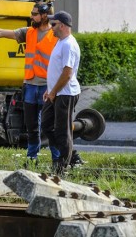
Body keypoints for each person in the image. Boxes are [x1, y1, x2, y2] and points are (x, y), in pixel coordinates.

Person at [0, 2, 67, 166]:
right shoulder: (28, 32)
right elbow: (0, 32)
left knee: (49, 127)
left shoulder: (56, 35)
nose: (31, 16)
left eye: (35, 14)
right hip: (30, 85)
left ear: (44, 16)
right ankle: (32, 159)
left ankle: (57, 160)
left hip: (48, 87)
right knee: (32, 127)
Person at [41, 11, 81, 176]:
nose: (51, 28)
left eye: (54, 24)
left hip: (65, 93)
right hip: (56, 92)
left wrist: (54, 91)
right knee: (46, 125)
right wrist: (49, 90)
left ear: (63, 26)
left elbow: (67, 73)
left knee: (62, 131)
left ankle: (63, 166)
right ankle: (72, 157)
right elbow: (57, 70)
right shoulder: (60, 42)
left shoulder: (69, 44)